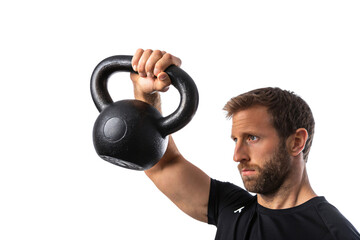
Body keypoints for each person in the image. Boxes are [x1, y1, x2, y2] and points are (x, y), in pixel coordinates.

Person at [129, 48, 360, 240]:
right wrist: (145, 93)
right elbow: (161, 164)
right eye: (235, 140)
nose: (237, 155)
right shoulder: (232, 208)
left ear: (296, 142)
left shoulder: (334, 233)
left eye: (252, 138)